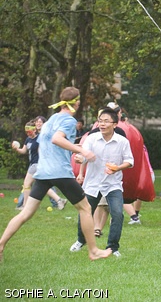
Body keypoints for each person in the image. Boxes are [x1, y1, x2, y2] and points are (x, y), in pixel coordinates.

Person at [0, 87, 111, 261]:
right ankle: (94, 251)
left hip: (43, 172)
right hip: (60, 172)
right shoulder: (68, 120)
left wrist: (77, 149)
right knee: (86, 208)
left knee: (25, 214)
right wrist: (81, 151)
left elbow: (49, 143)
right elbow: (57, 139)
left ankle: (0, 245)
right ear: (76, 102)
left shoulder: (51, 120)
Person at [69, 108, 134, 257]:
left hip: (113, 185)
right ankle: (81, 240)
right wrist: (80, 159)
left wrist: (117, 168)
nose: (102, 124)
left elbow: (130, 161)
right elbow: (84, 156)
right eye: (100, 121)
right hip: (93, 183)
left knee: (117, 214)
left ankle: (113, 247)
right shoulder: (91, 139)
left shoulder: (122, 141)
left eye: (106, 121)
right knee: (85, 213)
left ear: (115, 124)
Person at [12, 121, 67, 211]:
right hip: (33, 165)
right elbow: (23, 151)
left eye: (29, 132)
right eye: (26, 132)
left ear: (34, 130)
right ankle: (59, 200)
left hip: (37, 164)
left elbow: (43, 151)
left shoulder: (39, 139)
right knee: (41, 185)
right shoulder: (28, 139)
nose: (28, 134)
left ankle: (25, 206)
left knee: (26, 184)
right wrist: (17, 149)